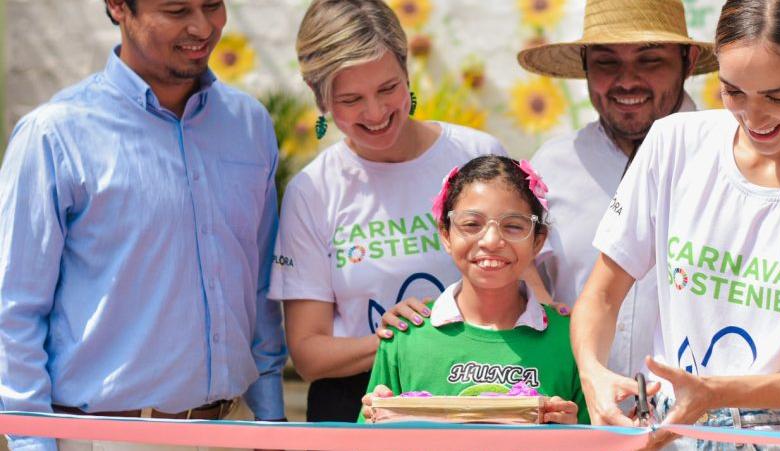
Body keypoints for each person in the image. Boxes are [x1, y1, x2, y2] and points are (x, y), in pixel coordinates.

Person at [571, 0, 780, 448]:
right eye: (733, 92)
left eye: (778, 97)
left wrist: (721, 394)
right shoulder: (674, 143)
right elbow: (600, 295)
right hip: (675, 434)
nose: (754, 119)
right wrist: (593, 373)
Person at [0, 0, 286, 450]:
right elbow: (14, 312)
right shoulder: (54, 136)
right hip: (107, 437)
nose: (202, 26)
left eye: (213, 5)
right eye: (176, 10)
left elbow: (260, 289)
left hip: (236, 429)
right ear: (118, 7)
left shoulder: (249, 126)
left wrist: (271, 425)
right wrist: (32, 444)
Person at [270, 0, 507, 422]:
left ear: (406, 69)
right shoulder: (313, 190)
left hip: (479, 399)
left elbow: (527, 290)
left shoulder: (477, 157)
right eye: (351, 99)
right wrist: (393, 340)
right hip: (357, 411)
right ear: (318, 96)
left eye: (387, 89)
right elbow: (308, 353)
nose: (376, 113)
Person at [518, 0, 717, 380]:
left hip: (699, 426)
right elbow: (518, 279)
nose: (627, 81)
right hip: (578, 415)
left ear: (688, 61)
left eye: (650, 60)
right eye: (607, 62)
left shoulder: (729, 161)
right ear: (585, 64)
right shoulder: (551, 167)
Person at [359, 155, 588, 425]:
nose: (491, 241)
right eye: (471, 224)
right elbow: (370, 434)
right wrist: (378, 426)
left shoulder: (572, 340)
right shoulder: (406, 335)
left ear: (538, 241)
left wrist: (575, 434)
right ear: (445, 234)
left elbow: (598, 439)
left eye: (514, 226)